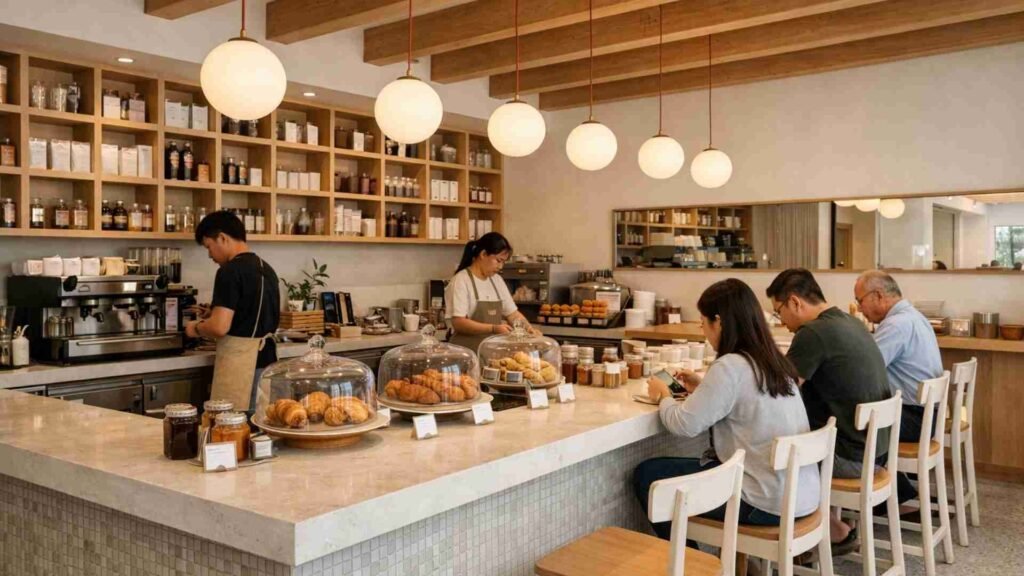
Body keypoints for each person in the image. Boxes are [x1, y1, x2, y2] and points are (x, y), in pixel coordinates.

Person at [633, 279, 820, 540]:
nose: (704, 331)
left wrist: (663, 395)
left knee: (649, 476)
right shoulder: (773, 361)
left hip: (764, 503)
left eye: (703, 322)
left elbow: (683, 425)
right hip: (803, 496)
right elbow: (745, 400)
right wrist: (703, 388)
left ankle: (690, 567)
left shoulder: (730, 365)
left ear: (719, 322)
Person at [766, 268, 891, 547]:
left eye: (778, 311)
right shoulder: (850, 321)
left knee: (769, 457)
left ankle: (820, 532)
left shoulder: (813, 333)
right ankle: (827, 527)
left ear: (795, 302)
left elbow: (781, 391)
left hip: (851, 458)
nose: (781, 321)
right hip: (876, 450)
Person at [186, 210, 280, 414]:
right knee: (262, 429)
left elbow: (219, 327)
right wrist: (212, 311)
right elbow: (251, 312)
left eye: (209, 247)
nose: (210, 255)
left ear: (222, 238)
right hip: (269, 364)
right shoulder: (266, 268)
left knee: (233, 431)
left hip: (242, 366)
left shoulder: (229, 271)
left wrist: (195, 328)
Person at [854, 271, 943, 443]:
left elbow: (865, 370)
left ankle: (871, 468)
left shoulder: (896, 325)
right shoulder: (914, 316)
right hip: (927, 414)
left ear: (878, 296)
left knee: (843, 419)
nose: (859, 308)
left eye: (860, 301)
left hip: (913, 418)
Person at [445, 232, 536, 350]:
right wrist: (493, 328)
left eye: (503, 262)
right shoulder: (461, 280)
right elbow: (459, 323)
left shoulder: (496, 280)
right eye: (498, 260)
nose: (501, 267)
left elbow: (512, 314)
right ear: (483, 254)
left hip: (490, 353)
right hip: (466, 353)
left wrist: (528, 329)